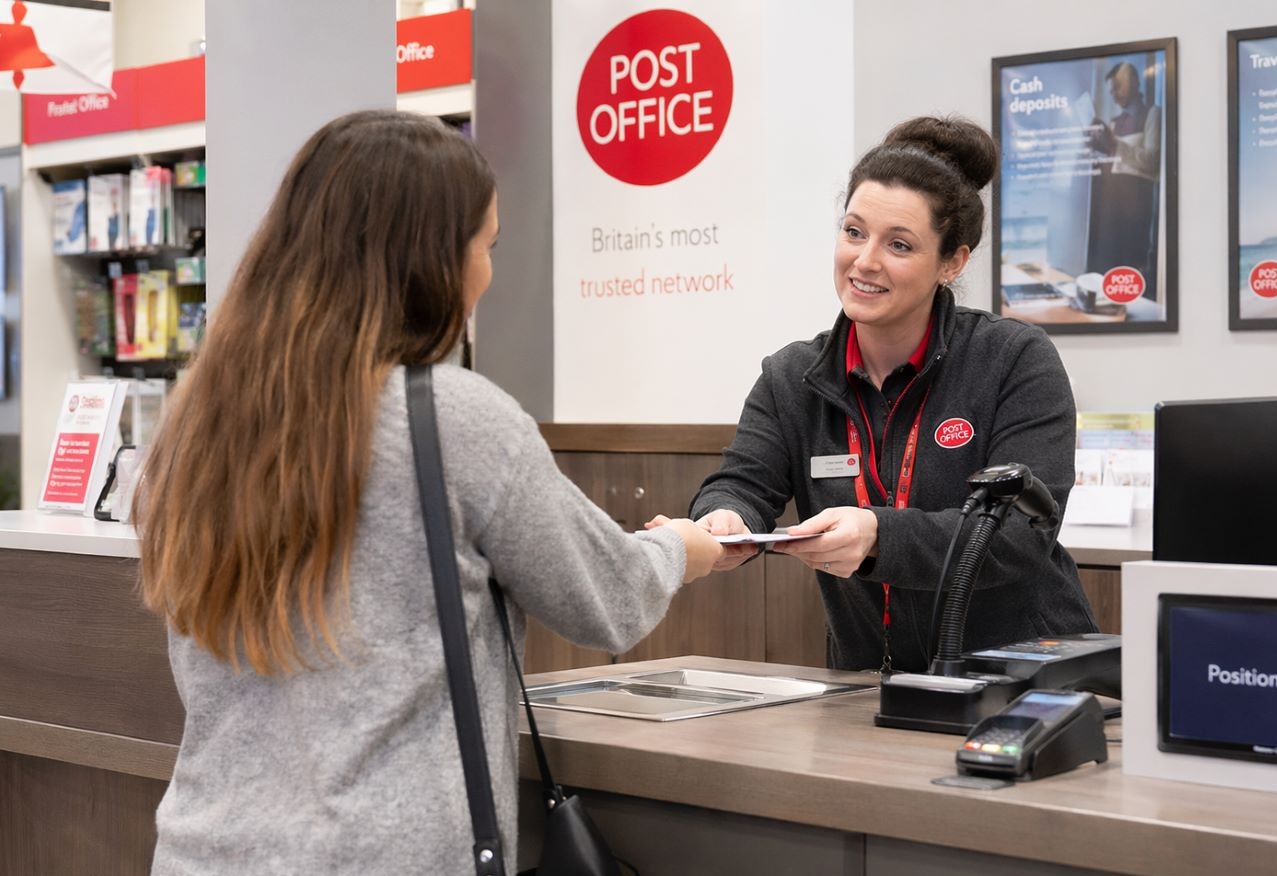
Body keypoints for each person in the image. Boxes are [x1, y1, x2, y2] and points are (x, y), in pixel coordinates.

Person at [133, 110, 722, 874]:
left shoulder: (196, 424)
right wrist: (680, 548)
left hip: (202, 848)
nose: (487, 272)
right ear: (430, 259)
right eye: (486, 245)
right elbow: (606, 597)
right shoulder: (450, 420)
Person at [685, 115, 1096, 673]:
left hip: (1022, 680)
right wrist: (723, 517)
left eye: (899, 245)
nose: (865, 261)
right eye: (854, 232)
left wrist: (879, 534)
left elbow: (1021, 534)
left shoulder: (1014, 359)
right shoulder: (791, 377)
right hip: (870, 685)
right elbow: (741, 483)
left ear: (952, 262)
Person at [1087, 60, 1162, 298]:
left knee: (1133, 257)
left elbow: (1152, 161)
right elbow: (1111, 159)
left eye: (1117, 88)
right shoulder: (1113, 123)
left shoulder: (1152, 113)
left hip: (1137, 199)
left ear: (1133, 84)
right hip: (1110, 201)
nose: (1114, 95)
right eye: (1110, 91)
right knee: (1108, 258)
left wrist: (1115, 144)